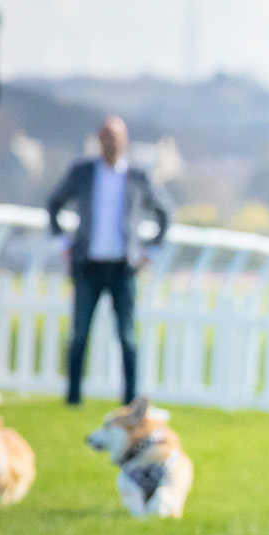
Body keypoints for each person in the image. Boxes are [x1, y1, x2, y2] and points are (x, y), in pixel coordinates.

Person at [43, 114, 171, 407]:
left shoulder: (138, 176)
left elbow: (166, 212)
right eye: (105, 137)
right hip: (88, 266)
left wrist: (151, 251)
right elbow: (54, 204)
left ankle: (130, 401)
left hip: (123, 268)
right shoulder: (83, 172)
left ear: (124, 141)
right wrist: (63, 242)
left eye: (115, 137)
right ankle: (73, 398)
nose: (110, 143)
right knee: (79, 334)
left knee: (127, 337)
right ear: (98, 140)